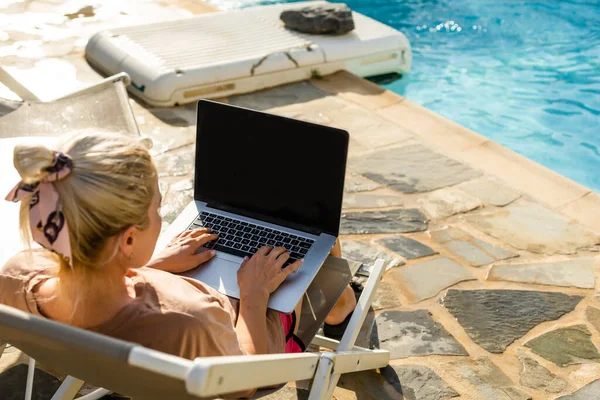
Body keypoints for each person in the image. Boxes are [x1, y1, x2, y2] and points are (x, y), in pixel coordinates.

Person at [0, 130, 357, 398]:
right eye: (156, 210)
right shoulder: (188, 322)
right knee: (312, 235)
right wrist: (253, 294)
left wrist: (150, 265)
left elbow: (107, 303)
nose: (159, 218)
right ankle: (341, 307)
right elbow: (245, 381)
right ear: (126, 240)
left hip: (119, 349)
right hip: (251, 330)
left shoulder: (15, 274)